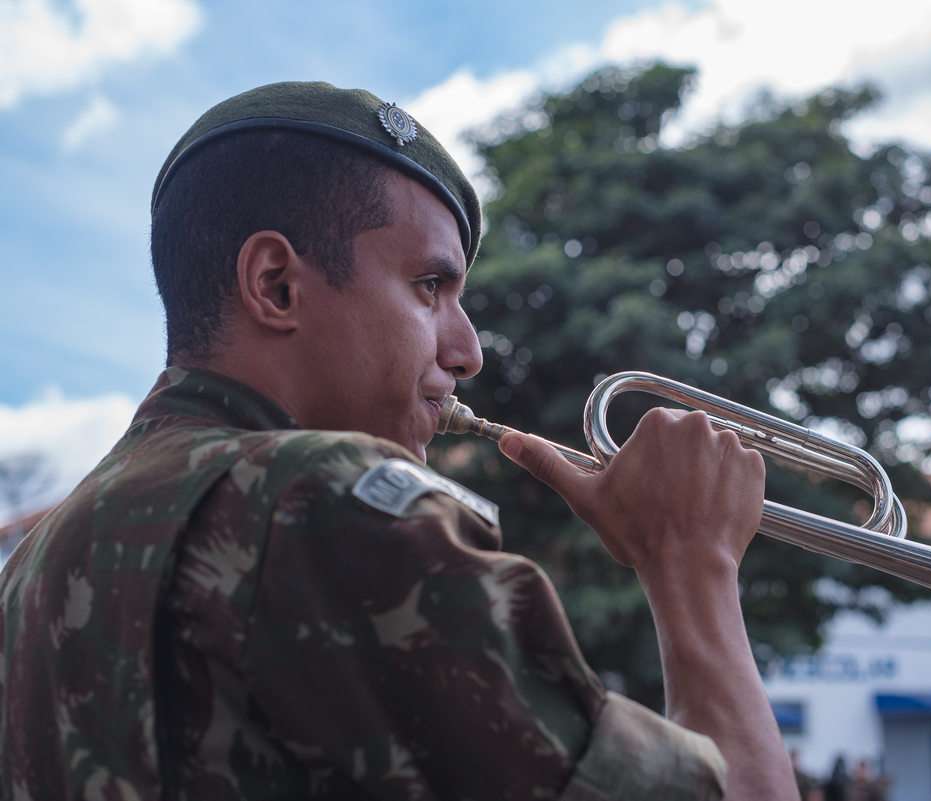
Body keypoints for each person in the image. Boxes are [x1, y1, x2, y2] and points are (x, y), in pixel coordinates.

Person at [0, 82, 800, 800]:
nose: (469, 351)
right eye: (430, 287)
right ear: (276, 284)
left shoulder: (36, 558)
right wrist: (690, 558)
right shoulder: (320, 496)